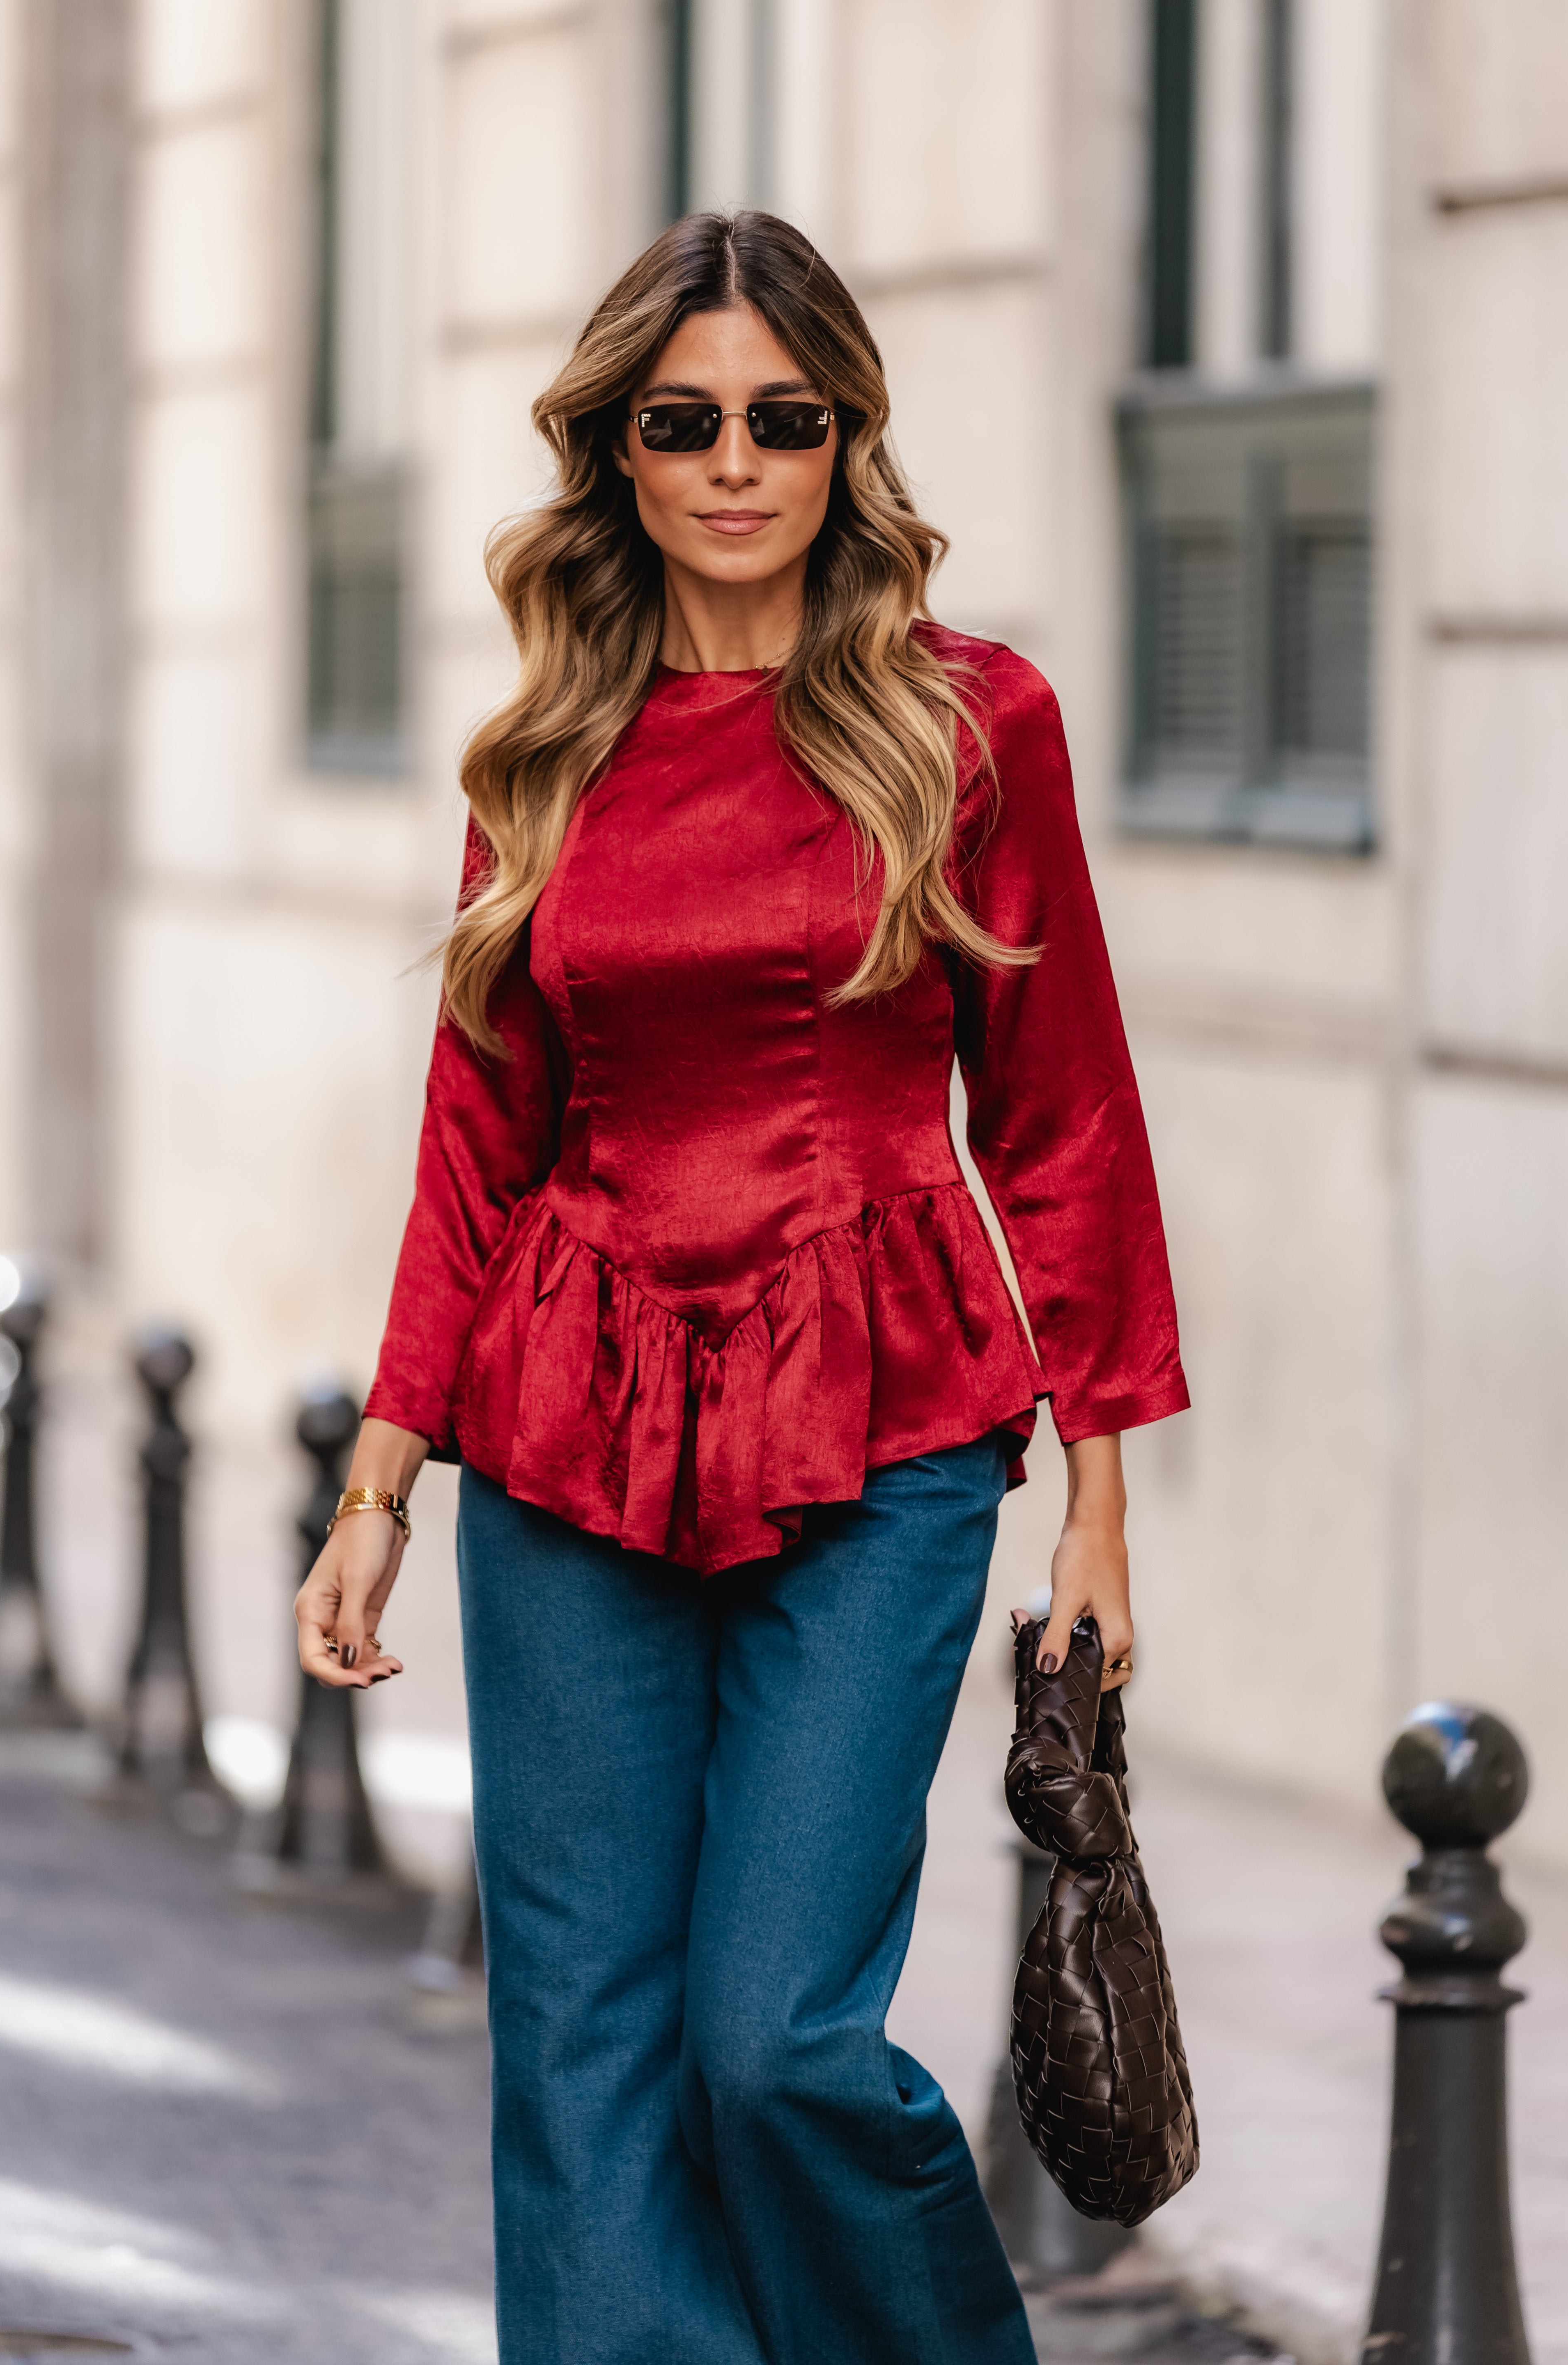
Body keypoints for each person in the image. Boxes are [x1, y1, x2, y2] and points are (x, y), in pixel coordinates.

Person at [294, 210, 1187, 2365]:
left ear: (845, 440)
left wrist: (1097, 1494)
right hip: (563, 1423)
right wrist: (383, 1476)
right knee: (585, 2054)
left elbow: (1058, 1115)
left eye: (783, 420)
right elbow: (476, 1137)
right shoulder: (548, 751)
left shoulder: (971, 722)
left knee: (775, 2040)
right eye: (680, 420)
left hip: (877, 1427)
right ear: (617, 450)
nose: (731, 461)